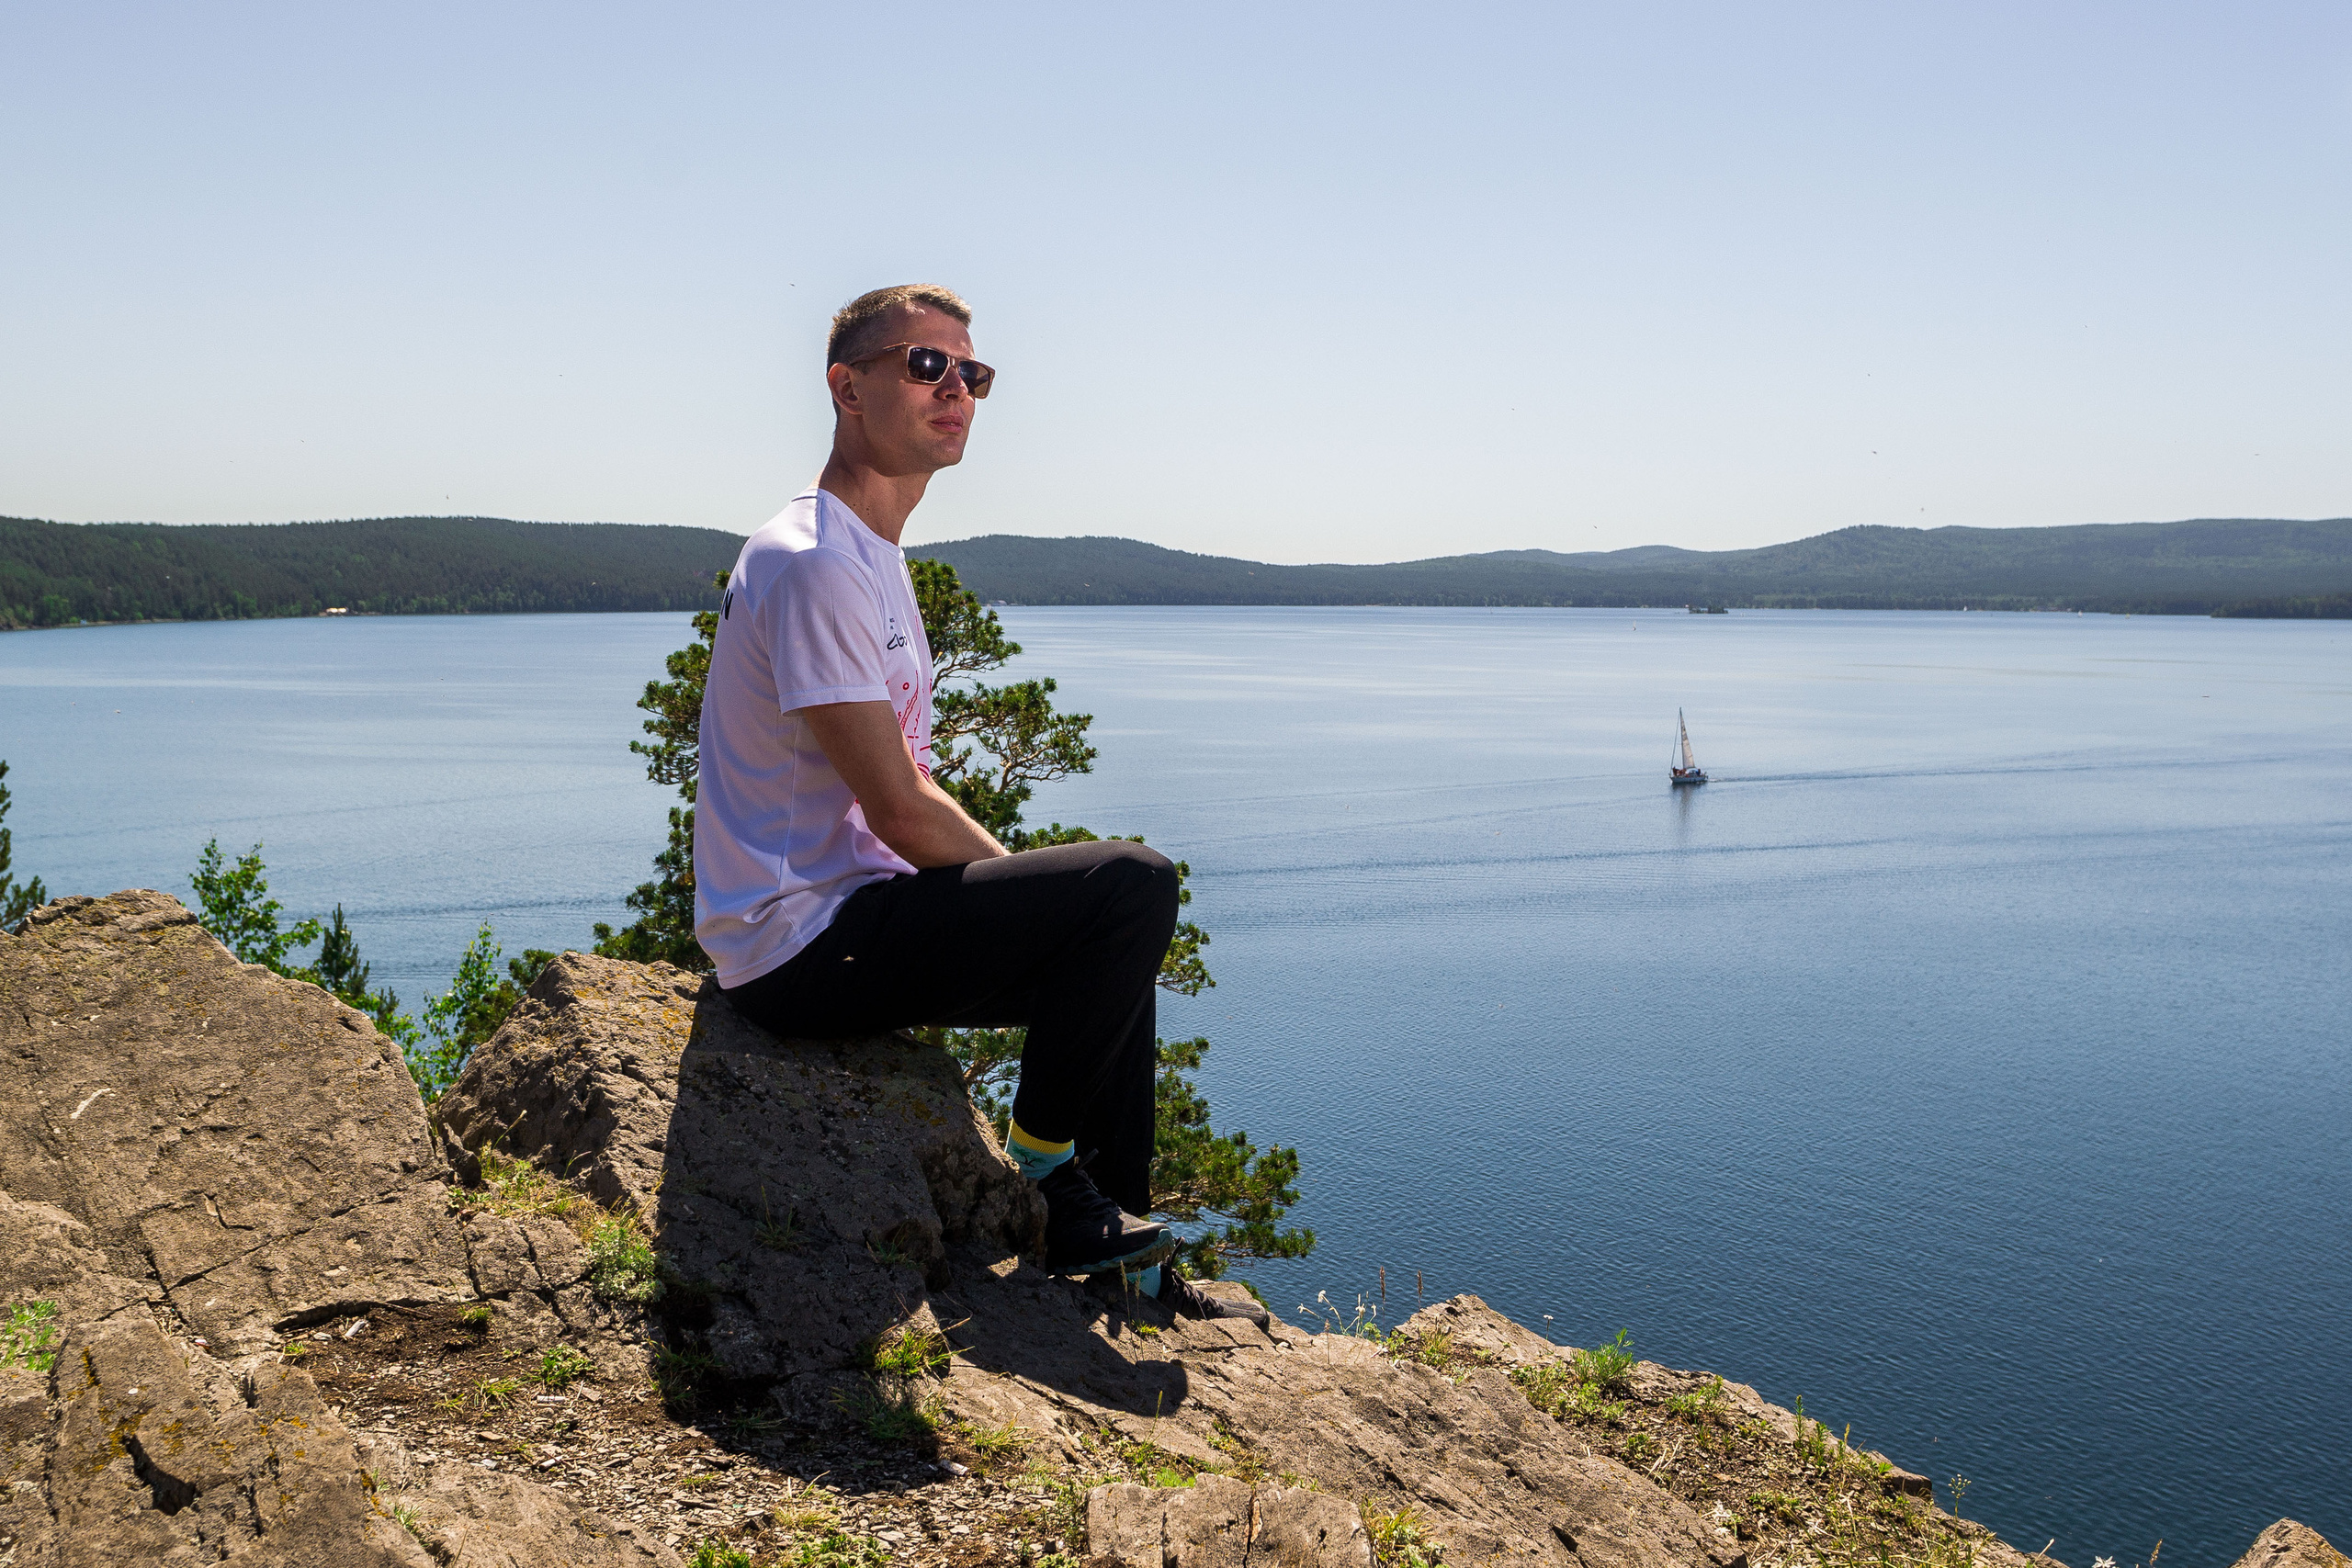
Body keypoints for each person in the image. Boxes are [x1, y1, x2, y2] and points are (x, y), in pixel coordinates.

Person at [695, 284, 1264, 1325]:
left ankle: (1114, 1249)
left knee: (1111, 935)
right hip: (799, 943)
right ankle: (1047, 1169)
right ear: (847, 387)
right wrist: (1049, 903)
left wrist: (1046, 912)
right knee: (1129, 887)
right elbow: (899, 807)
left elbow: (902, 795)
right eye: (925, 366)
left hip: (849, 917)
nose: (955, 389)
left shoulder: (871, 554)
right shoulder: (813, 559)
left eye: (973, 374)